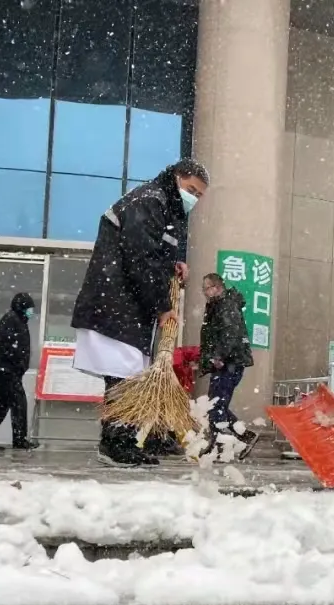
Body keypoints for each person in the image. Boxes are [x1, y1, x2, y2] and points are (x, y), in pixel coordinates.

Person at [71, 157, 209, 467]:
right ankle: (114, 444)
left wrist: (171, 265)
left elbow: (152, 253)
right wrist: (162, 306)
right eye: (191, 189)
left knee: (130, 374)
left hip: (125, 305)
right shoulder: (149, 201)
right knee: (123, 376)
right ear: (176, 178)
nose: (193, 198)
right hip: (113, 302)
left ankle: (124, 441)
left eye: (199, 195)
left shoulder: (164, 206)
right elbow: (140, 259)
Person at [200, 273, 257, 459]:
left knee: (216, 405)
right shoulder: (219, 305)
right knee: (216, 404)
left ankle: (220, 446)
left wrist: (218, 356)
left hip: (229, 363)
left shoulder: (226, 305)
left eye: (206, 288)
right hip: (225, 363)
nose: (204, 292)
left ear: (216, 287)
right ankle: (243, 436)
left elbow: (229, 333)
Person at [0, 293, 39, 451]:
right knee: (19, 403)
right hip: (6, 371)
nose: (32, 311)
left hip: (8, 370)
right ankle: (19, 440)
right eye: (30, 308)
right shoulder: (11, 320)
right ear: (22, 307)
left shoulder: (18, 320)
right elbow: (8, 346)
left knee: (0, 406)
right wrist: (16, 364)